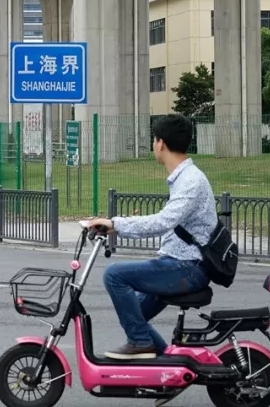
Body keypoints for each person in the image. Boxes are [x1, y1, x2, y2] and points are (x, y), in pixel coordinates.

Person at [86, 113, 217, 360]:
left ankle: (140, 343)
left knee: (114, 275)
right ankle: (168, 364)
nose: (154, 145)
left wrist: (115, 224)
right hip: (177, 263)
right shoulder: (184, 178)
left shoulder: (190, 181)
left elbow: (162, 221)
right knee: (134, 313)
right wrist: (113, 226)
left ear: (161, 143)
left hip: (188, 268)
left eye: (154, 140)